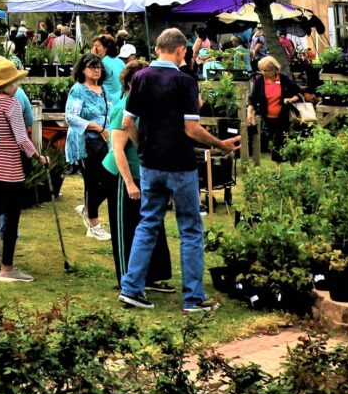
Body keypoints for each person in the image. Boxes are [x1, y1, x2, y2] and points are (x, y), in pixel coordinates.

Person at [117, 28, 239, 313]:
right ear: (181, 50)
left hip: (151, 164)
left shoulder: (140, 78)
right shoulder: (185, 81)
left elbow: (127, 123)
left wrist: (142, 146)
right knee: (190, 229)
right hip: (180, 164)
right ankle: (193, 298)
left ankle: (132, 288)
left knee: (148, 223)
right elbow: (192, 128)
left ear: (158, 48)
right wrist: (221, 145)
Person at [105, 60, 175, 292]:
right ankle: (128, 280)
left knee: (151, 224)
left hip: (146, 175)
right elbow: (117, 150)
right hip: (124, 177)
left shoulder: (146, 106)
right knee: (127, 227)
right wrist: (129, 183)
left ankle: (152, 276)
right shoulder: (123, 107)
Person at [0, 56, 43, 282]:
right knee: (12, 216)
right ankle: (8, 268)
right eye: (15, 82)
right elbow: (22, 139)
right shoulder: (12, 105)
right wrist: (38, 156)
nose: (17, 86)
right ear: (9, 84)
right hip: (9, 169)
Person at [66, 53, 113, 242]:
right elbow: (71, 117)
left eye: (98, 67)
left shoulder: (104, 90)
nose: (96, 70)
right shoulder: (78, 90)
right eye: (92, 67)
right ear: (82, 70)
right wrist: (97, 127)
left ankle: (87, 209)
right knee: (92, 182)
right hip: (85, 142)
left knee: (110, 180)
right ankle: (93, 223)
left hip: (106, 143)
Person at [245, 56, 304, 160]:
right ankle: (284, 161)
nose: (263, 72)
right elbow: (252, 98)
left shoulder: (284, 79)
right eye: (261, 70)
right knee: (275, 140)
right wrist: (249, 112)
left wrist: (290, 100)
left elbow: (298, 93)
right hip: (267, 116)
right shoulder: (259, 81)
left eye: (265, 70)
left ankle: (278, 165)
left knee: (278, 140)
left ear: (273, 69)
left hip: (283, 115)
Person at [92, 34, 124, 100]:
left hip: (109, 100)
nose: (94, 49)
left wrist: (93, 58)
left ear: (106, 48)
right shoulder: (120, 61)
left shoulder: (103, 63)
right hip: (122, 98)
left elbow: (91, 81)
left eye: (97, 46)